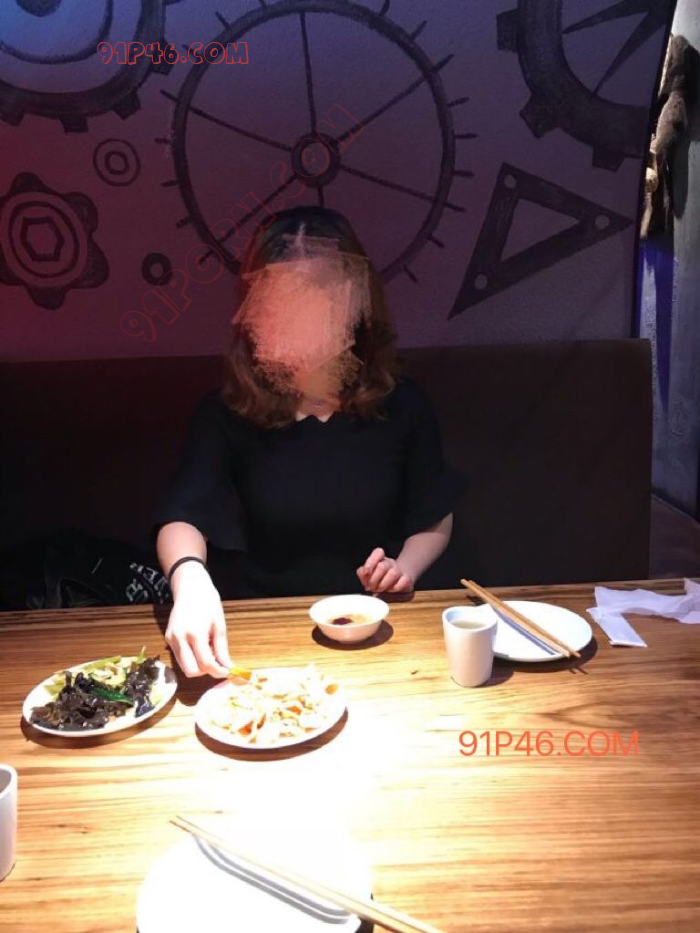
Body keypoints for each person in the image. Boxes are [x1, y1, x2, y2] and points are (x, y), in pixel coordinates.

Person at [154, 206, 464, 678]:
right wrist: (191, 582)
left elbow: (435, 511)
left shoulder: (401, 403)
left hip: (376, 623)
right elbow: (184, 515)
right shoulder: (229, 410)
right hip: (267, 622)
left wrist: (404, 568)